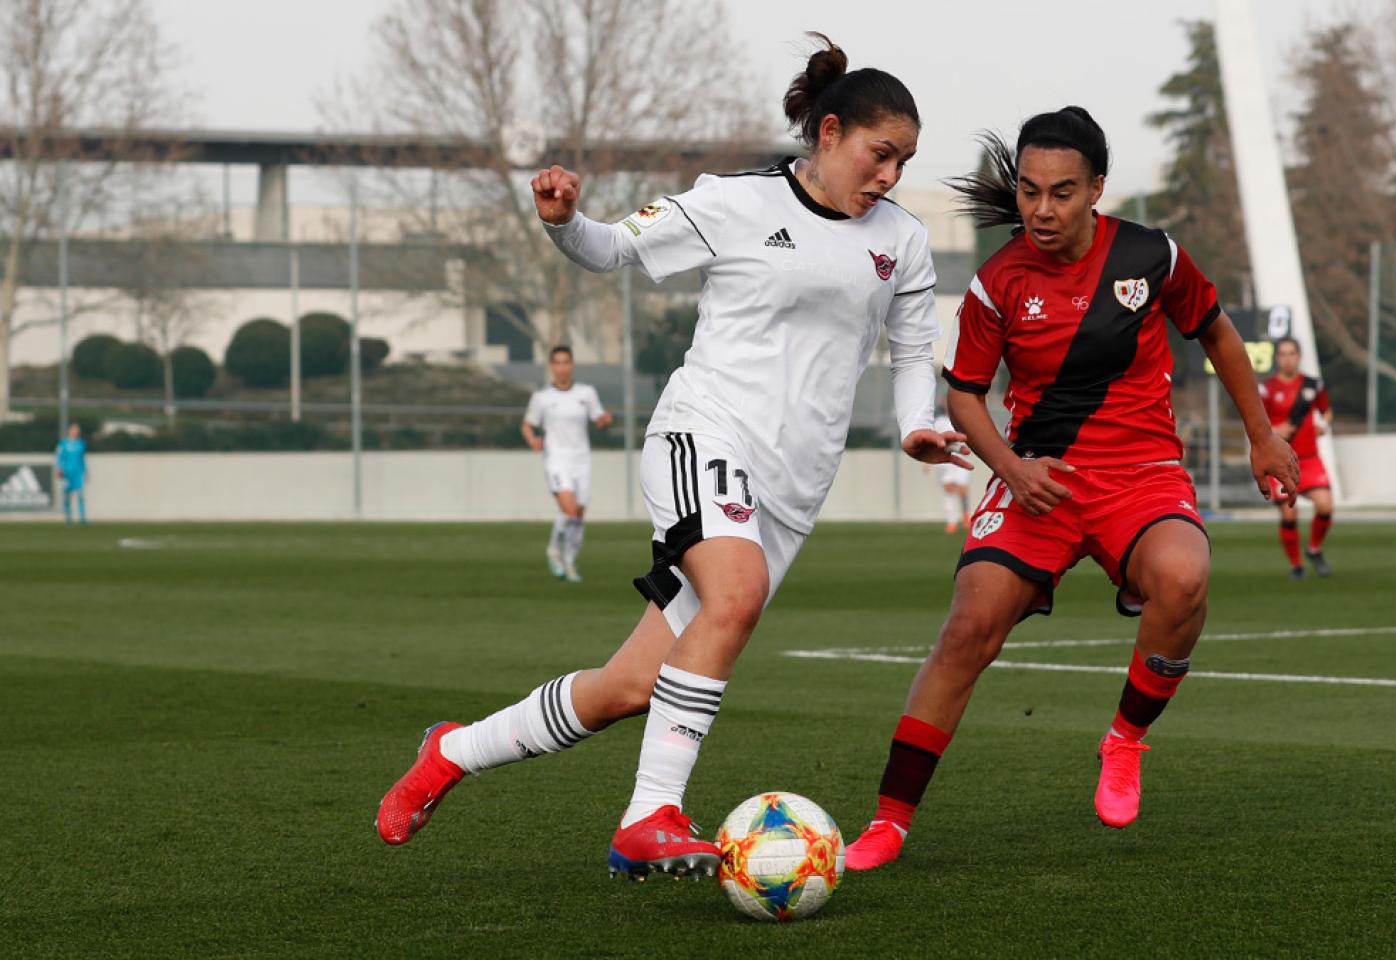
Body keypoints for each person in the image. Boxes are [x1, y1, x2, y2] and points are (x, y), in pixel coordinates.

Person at [376, 34, 967, 881]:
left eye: (904, 162)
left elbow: (912, 351)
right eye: (881, 154)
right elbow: (613, 248)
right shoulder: (733, 202)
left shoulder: (902, 241)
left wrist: (916, 424)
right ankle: (647, 815)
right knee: (737, 594)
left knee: (627, 687)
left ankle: (451, 751)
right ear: (830, 131)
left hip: (791, 492)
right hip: (704, 434)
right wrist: (563, 222)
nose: (890, 177)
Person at [843, 107, 1298, 871]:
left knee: (1184, 580)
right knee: (966, 631)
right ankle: (888, 822)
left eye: (1060, 193)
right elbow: (964, 396)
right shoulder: (998, 282)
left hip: (1140, 475)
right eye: (1028, 192)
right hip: (1038, 481)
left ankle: (1124, 741)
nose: (1041, 210)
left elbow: (1216, 332)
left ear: (1096, 190)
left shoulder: (1153, 256)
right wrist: (1011, 470)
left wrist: (1261, 435)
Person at [523, 345, 613, 582]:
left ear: (572, 365)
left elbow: (598, 418)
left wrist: (604, 421)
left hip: (581, 458)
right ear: (552, 366)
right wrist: (533, 439)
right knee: (569, 510)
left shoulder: (586, 393)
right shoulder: (542, 397)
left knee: (578, 516)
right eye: (557, 363)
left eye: (566, 362)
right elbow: (527, 424)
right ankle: (553, 550)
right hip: (556, 458)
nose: (562, 367)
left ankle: (570, 561)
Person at [1259, 337, 1334, 578]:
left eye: (1291, 353)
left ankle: (1314, 549)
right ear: (1277, 358)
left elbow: (1327, 411)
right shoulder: (1267, 389)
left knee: (1325, 505)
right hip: (1281, 461)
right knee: (1290, 513)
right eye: (1282, 354)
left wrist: (1323, 424)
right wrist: (1274, 430)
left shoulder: (1313, 385)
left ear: (1299, 356)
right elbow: (1257, 423)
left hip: (1309, 459)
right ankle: (1296, 565)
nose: (1287, 358)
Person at [931, 410, 974, 532]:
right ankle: (951, 521)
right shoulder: (939, 421)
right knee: (949, 488)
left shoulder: (962, 418)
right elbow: (933, 439)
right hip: (944, 458)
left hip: (961, 456)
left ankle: (966, 515)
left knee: (962, 488)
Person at [54, 423, 88, 525]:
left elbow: (83, 459)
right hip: (66, 473)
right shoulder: (63, 443)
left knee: (80, 494)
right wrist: (58, 469)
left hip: (78, 472)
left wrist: (85, 471)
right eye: (73, 430)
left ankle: (82, 518)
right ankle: (68, 518)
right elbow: (59, 457)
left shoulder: (81, 444)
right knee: (67, 495)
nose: (75, 432)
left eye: (77, 430)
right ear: (69, 431)